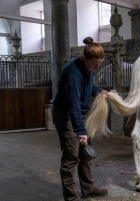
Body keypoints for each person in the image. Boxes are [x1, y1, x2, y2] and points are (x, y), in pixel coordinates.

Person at [51, 37, 108, 201]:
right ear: (85, 58)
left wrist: (98, 91)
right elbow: (73, 104)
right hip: (66, 115)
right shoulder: (73, 73)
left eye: (99, 65)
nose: (96, 68)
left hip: (78, 114)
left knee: (85, 154)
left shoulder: (86, 69)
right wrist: (80, 130)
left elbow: (88, 85)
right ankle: (71, 197)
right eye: (94, 64)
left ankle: (88, 188)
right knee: (71, 156)